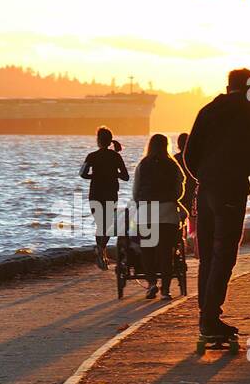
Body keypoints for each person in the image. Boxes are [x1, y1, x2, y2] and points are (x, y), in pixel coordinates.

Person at [183, 68, 250, 337]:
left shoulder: (207, 110)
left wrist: (205, 178)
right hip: (231, 191)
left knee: (207, 255)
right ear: (249, 86)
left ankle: (205, 317)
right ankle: (210, 319)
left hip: (206, 189)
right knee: (225, 255)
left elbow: (189, 154)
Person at [130, 133, 186, 299]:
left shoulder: (143, 164)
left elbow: (136, 190)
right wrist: (172, 199)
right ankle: (166, 290)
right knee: (166, 253)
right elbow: (180, 189)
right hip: (167, 214)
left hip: (147, 213)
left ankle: (152, 283)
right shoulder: (172, 165)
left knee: (147, 251)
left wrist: (140, 201)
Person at [79, 127, 129, 269]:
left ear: (98, 140)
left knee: (100, 224)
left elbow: (82, 173)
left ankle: (101, 253)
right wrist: (114, 174)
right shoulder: (116, 157)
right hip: (111, 194)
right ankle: (101, 252)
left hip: (95, 194)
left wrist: (93, 176)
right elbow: (126, 177)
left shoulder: (92, 156)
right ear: (110, 141)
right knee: (106, 226)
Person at [173, 131, 197, 253]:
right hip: (194, 194)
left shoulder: (174, 159)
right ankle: (197, 249)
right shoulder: (194, 157)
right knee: (195, 220)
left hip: (180, 196)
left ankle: (183, 245)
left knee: (181, 221)